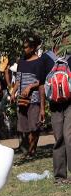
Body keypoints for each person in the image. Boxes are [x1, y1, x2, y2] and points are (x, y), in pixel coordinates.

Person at [43, 30, 71, 183]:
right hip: (54, 104)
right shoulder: (46, 59)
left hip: (70, 104)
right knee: (59, 138)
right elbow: (42, 85)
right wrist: (42, 107)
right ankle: (60, 176)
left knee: (69, 136)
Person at [12, 35, 46, 159]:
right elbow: (18, 79)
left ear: (32, 48)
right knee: (24, 127)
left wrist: (30, 87)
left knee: (34, 127)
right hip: (22, 99)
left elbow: (41, 81)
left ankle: (32, 151)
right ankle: (28, 151)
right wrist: (13, 92)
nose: (24, 49)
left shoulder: (39, 61)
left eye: (26, 47)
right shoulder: (21, 61)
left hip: (34, 99)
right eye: (23, 47)